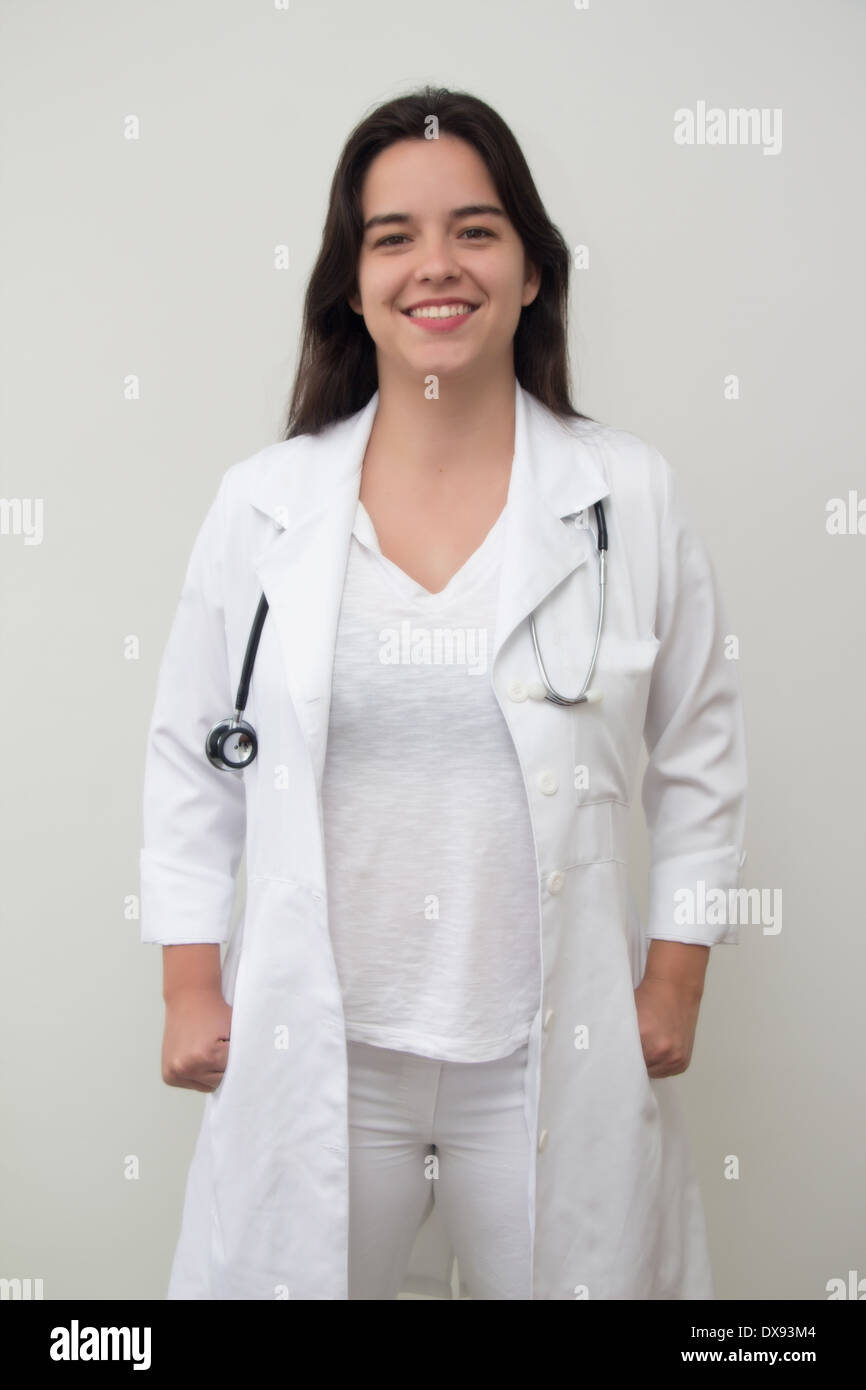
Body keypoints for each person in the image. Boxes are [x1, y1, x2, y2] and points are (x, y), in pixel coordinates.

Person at [142, 86, 748, 1300]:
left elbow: (700, 749)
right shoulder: (264, 504)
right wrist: (191, 983)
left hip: (549, 1046)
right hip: (324, 1047)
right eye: (393, 236)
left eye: (475, 230)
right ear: (350, 282)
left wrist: (672, 977)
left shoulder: (625, 495)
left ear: (530, 272)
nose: (437, 265)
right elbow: (191, 754)